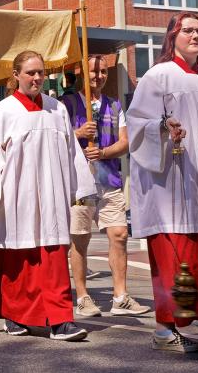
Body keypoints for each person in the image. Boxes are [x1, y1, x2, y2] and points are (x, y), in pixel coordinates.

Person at [127, 12, 198, 355]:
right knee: (176, 262)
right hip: (172, 189)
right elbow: (136, 125)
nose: (195, 36)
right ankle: (165, 330)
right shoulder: (158, 76)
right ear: (172, 36)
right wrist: (161, 126)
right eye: (187, 30)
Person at [0, 50, 95, 341]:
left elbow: (70, 153)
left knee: (53, 256)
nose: (37, 78)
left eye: (41, 72)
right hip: (17, 196)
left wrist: (77, 189)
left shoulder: (57, 109)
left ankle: (60, 319)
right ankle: (16, 315)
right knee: (20, 259)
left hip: (52, 195)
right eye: (31, 73)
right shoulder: (2, 112)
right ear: (16, 76)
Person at [60, 55, 150, 318]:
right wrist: (77, 135)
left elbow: (126, 142)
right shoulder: (67, 103)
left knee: (119, 234)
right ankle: (83, 297)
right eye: (93, 71)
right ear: (81, 73)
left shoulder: (114, 104)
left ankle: (120, 296)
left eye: (102, 72)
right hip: (80, 182)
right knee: (80, 239)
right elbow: (57, 137)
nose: (98, 76)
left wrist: (104, 152)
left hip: (109, 179)